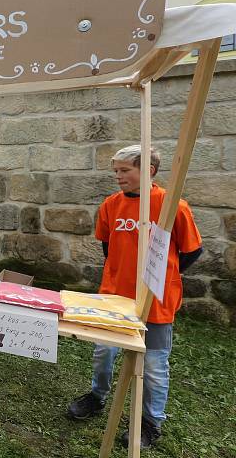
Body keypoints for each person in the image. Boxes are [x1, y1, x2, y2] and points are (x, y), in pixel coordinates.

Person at [67, 145, 203, 449]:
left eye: (124, 170)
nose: (118, 176)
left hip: (155, 302)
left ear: (149, 170)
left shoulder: (172, 205)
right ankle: (97, 396)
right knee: (104, 353)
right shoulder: (110, 205)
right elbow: (108, 247)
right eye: (115, 170)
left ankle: (150, 422)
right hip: (114, 299)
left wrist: (161, 277)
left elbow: (193, 251)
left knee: (153, 364)